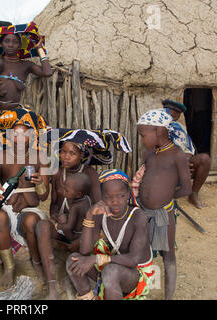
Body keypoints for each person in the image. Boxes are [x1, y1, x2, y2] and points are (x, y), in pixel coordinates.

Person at [66, 170, 154, 300]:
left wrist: (96, 259)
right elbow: (84, 251)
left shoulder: (138, 216)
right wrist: (90, 215)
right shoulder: (101, 213)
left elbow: (133, 259)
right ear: (102, 197)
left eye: (121, 196)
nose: (115, 201)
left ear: (129, 195)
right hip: (112, 267)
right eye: (108, 197)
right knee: (73, 260)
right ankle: (88, 297)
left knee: (110, 271)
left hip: (135, 274)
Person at [0, 108, 50, 287]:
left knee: (30, 221)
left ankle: (37, 262)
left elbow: (44, 196)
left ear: (33, 136)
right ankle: (9, 266)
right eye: (15, 135)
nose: (20, 139)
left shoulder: (40, 157)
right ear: (8, 136)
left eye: (25, 135)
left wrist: (39, 183)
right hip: (7, 207)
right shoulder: (0, 157)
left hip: (29, 208)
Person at [0, 22, 52, 169]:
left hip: (14, 117)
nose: (10, 44)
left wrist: (40, 49)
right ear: (1, 43)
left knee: (12, 154)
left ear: (20, 45)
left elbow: (47, 72)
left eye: (15, 41)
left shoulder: (25, 65)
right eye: (7, 41)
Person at [136, 109, 192, 300]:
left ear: (159, 131)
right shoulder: (149, 154)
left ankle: (169, 297)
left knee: (168, 256)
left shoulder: (176, 155)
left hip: (163, 214)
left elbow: (186, 188)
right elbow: (143, 178)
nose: (142, 140)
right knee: (141, 250)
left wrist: (166, 197)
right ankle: (140, 289)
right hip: (142, 212)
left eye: (144, 135)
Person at [35, 172, 92, 299]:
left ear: (78, 194)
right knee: (47, 223)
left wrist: (57, 226)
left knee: (61, 220)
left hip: (75, 237)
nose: (63, 191)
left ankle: (62, 246)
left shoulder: (76, 206)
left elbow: (68, 227)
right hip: (79, 233)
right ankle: (52, 288)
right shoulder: (86, 199)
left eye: (66, 190)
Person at [162, 99, 211, 209]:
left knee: (205, 159)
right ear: (165, 110)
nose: (176, 114)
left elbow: (187, 145)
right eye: (172, 111)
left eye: (178, 113)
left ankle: (193, 195)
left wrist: (187, 159)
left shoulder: (180, 127)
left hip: (185, 161)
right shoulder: (157, 126)